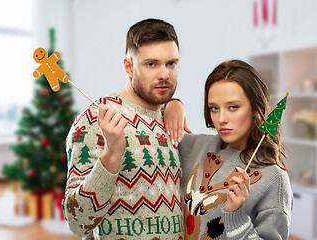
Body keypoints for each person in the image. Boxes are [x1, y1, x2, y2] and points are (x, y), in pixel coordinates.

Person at [62, 18, 184, 240]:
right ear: (129, 66)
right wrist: (111, 156)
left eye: (171, 63)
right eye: (151, 64)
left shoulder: (170, 119)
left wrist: (176, 104)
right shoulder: (95, 119)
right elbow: (77, 223)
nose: (164, 74)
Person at [164, 59, 293, 239]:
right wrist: (172, 104)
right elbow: (150, 118)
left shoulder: (274, 179)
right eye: (214, 108)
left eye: (233, 107)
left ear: (256, 108)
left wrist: (236, 216)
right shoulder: (194, 146)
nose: (221, 118)